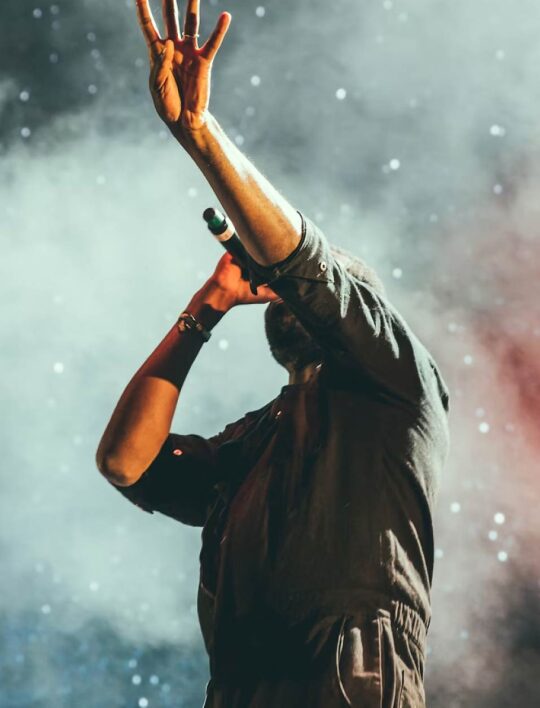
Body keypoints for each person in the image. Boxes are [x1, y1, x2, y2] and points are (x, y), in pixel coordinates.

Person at [96, 1, 450, 706]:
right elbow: (126, 462)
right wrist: (207, 305)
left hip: (351, 673)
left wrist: (201, 136)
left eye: (299, 288)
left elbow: (308, 266)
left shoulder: (396, 375)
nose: (281, 288)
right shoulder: (255, 438)